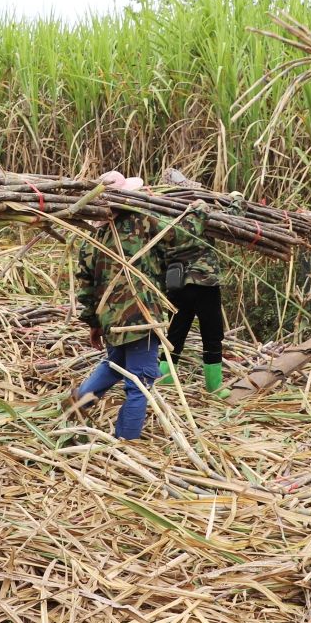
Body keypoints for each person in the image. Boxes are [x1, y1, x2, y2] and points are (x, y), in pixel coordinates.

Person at [67, 172, 208, 439]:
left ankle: (75, 406)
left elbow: (85, 287)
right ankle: (126, 441)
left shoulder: (93, 238)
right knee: (140, 383)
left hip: (110, 319)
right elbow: (184, 233)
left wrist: (95, 323)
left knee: (115, 362)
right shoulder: (144, 221)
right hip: (141, 317)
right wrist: (200, 208)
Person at [155, 169, 229, 400]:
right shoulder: (198, 211)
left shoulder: (158, 215)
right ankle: (214, 387)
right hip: (204, 282)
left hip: (176, 284)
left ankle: (166, 381)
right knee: (212, 333)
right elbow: (232, 216)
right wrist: (236, 199)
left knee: (175, 333)